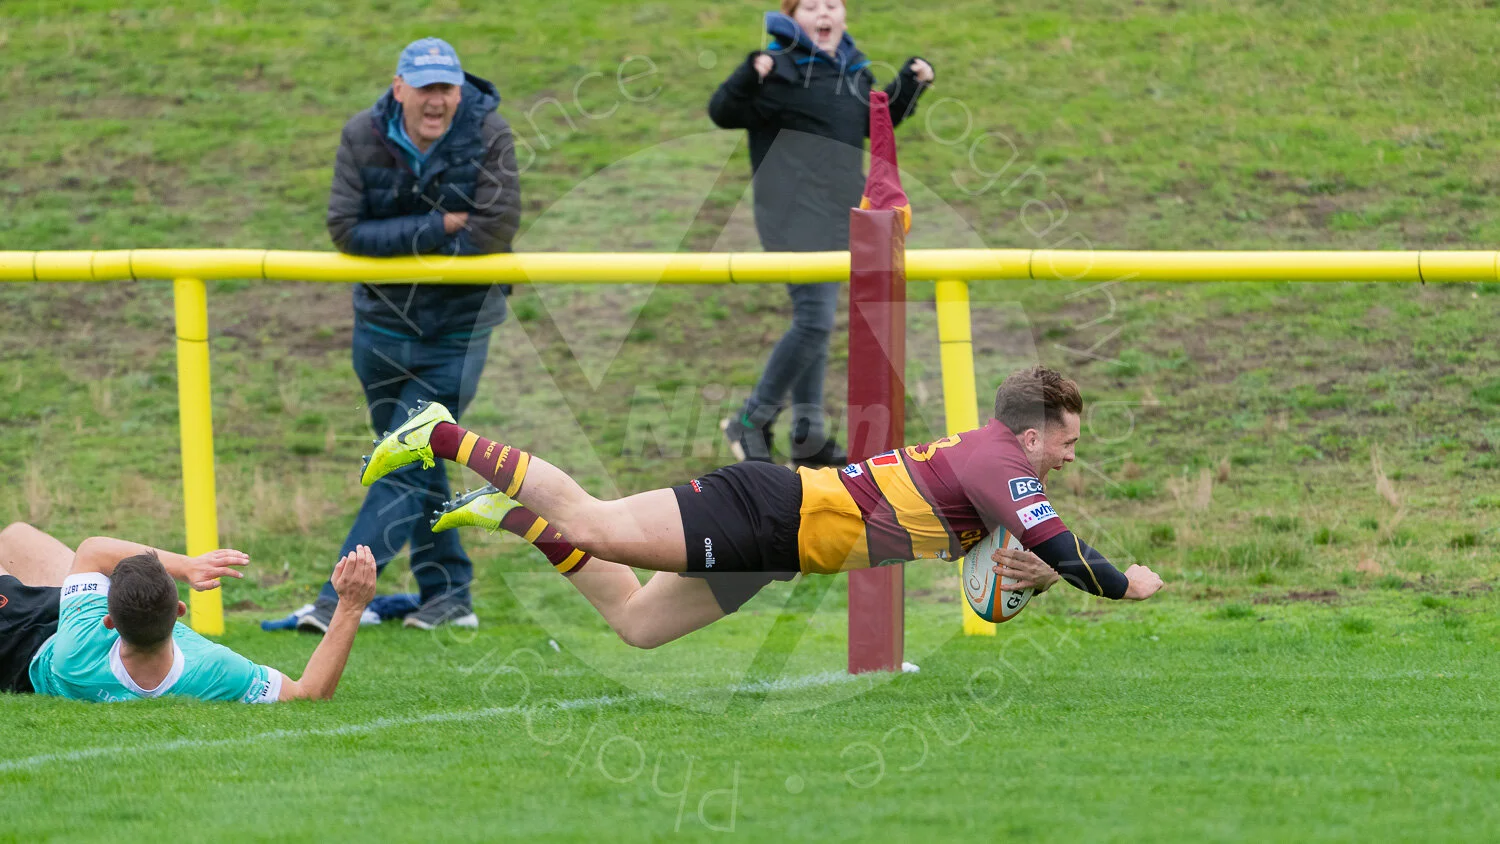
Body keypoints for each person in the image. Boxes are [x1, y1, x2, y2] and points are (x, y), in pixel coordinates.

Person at [359, 367, 1165, 647]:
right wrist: (1125, 583)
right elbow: (1063, 551)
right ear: (1029, 436)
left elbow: (1001, 596)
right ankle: (441, 434)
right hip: (771, 511)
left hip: (781, 551)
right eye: (1065, 442)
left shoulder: (992, 471)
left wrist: (1041, 580)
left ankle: (508, 514)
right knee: (597, 524)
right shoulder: (999, 463)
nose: (1069, 456)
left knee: (638, 628)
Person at [312, 36, 522, 633]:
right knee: (420, 459)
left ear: (461, 89)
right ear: (398, 87)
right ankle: (449, 593)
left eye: (446, 88)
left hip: (457, 329)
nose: (437, 101)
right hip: (379, 328)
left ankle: (335, 598)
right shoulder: (361, 133)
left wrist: (407, 238)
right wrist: (439, 225)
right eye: (425, 87)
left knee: (406, 456)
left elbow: (494, 231)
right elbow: (347, 231)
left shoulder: (489, 132)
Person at [709, 0, 935, 468]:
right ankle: (749, 422)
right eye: (810, 6)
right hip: (792, 216)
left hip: (839, 216)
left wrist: (910, 85)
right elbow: (723, 111)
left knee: (817, 320)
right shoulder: (779, 69)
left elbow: (874, 120)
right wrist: (750, 71)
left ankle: (807, 437)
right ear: (793, 17)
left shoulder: (852, 71)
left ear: (844, 16)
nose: (823, 13)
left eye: (831, 4)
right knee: (814, 319)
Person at [0, 523, 376, 701]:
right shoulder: (211, 669)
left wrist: (188, 566)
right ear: (179, 612)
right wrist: (351, 605)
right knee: (14, 536)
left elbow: (94, 550)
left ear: (109, 619)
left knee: (14, 537)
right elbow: (308, 695)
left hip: (20, 641)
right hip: (72, 623)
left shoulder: (74, 655)